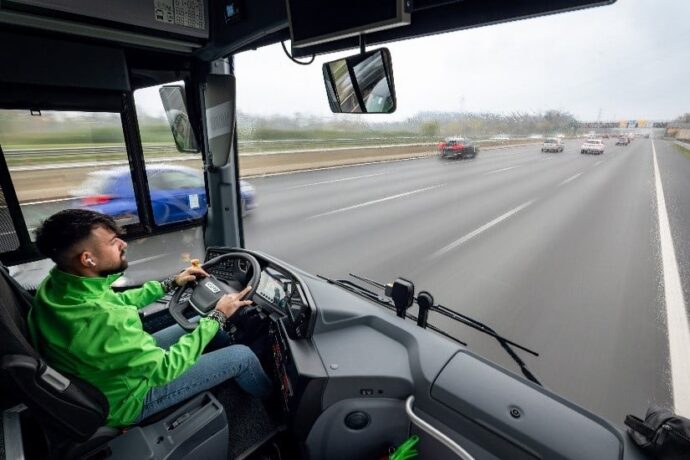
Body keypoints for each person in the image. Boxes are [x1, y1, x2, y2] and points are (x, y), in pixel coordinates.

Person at [28, 209, 272, 428]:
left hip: (110, 369)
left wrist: (169, 284)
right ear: (87, 259)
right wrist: (218, 314)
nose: (122, 244)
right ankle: (272, 404)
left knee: (203, 325)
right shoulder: (105, 322)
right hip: (129, 398)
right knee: (242, 356)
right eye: (113, 242)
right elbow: (165, 368)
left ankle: (226, 367)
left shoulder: (58, 285)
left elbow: (114, 301)